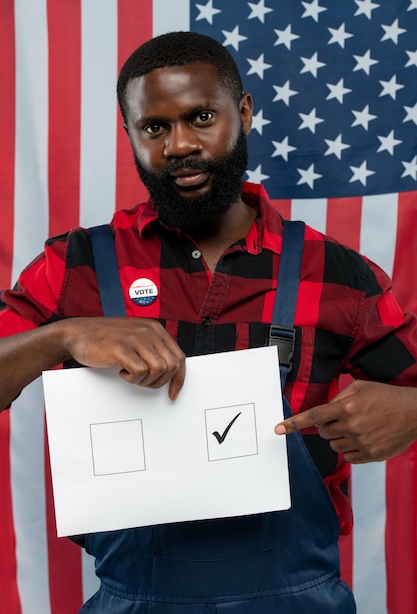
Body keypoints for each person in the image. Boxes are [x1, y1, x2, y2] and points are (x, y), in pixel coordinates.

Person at [1, 31, 417, 613]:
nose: (179, 145)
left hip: (296, 600)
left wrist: (412, 411)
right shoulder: (74, 268)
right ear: (130, 134)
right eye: (155, 128)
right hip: (135, 598)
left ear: (242, 114)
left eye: (201, 117)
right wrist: (63, 335)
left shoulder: (340, 275)